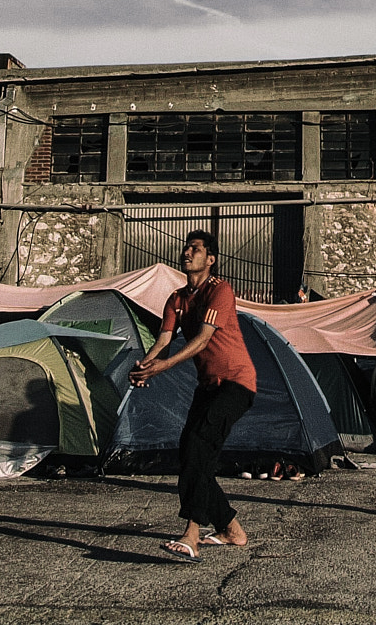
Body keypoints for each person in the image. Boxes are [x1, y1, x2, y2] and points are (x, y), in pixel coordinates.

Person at [129, 231, 258, 561]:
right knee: (190, 453)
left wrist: (163, 368)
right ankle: (231, 528)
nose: (187, 253)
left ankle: (192, 534)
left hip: (236, 384)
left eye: (195, 249)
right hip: (207, 386)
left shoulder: (221, 290)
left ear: (210, 259)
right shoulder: (176, 299)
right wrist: (145, 366)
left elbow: (201, 340)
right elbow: (163, 340)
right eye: (186, 248)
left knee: (200, 446)